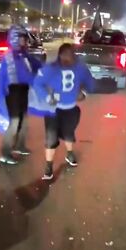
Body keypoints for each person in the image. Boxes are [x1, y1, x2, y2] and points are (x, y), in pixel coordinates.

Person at [31, 43, 94, 180]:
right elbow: (37, 83)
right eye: (67, 55)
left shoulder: (80, 68)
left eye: (72, 55)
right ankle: (48, 166)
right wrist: (47, 97)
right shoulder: (50, 68)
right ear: (60, 55)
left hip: (71, 108)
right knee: (51, 138)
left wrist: (84, 93)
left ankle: (69, 153)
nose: (70, 58)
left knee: (69, 133)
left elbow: (90, 82)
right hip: (53, 110)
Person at [0, 25, 42, 165]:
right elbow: (24, 75)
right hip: (12, 93)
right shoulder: (11, 57)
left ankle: (20, 146)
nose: (25, 41)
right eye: (23, 38)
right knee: (14, 123)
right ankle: (5, 153)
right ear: (16, 38)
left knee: (24, 121)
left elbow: (34, 64)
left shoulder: (22, 54)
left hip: (22, 91)